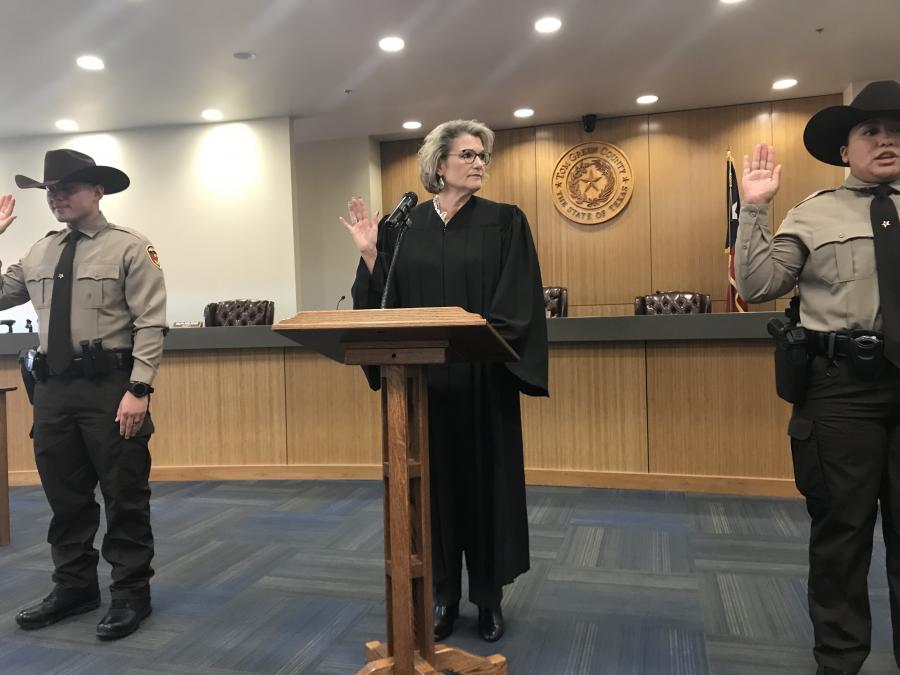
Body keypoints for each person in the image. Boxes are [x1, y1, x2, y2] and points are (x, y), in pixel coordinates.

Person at [340, 119, 548, 642]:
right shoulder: (402, 227)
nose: (479, 162)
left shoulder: (505, 222)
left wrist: (481, 345)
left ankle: (488, 599)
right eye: (468, 154)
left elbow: (518, 302)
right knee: (430, 494)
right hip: (423, 388)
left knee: (485, 491)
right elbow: (381, 308)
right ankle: (442, 596)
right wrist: (370, 253)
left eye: (483, 155)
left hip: (481, 385)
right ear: (439, 164)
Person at [735, 81, 900, 675]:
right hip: (843, 390)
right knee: (842, 531)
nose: (886, 139)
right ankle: (839, 659)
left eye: (896, 130)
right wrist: (755, 207)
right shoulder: (814, 213)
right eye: (870, 131)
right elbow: (755, 286)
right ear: (845, 150)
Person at [0, 149, 167, 640]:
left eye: (67, 188)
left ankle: (131, 593)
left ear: (97, 191)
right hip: (52, 391)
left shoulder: (129, 248)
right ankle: (74, 588)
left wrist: (140, 388)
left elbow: (151, 322)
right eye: (50, 190)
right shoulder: (38, 251)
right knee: (65, 496)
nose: (56, 197)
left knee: (123, 493)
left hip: (109, 388)